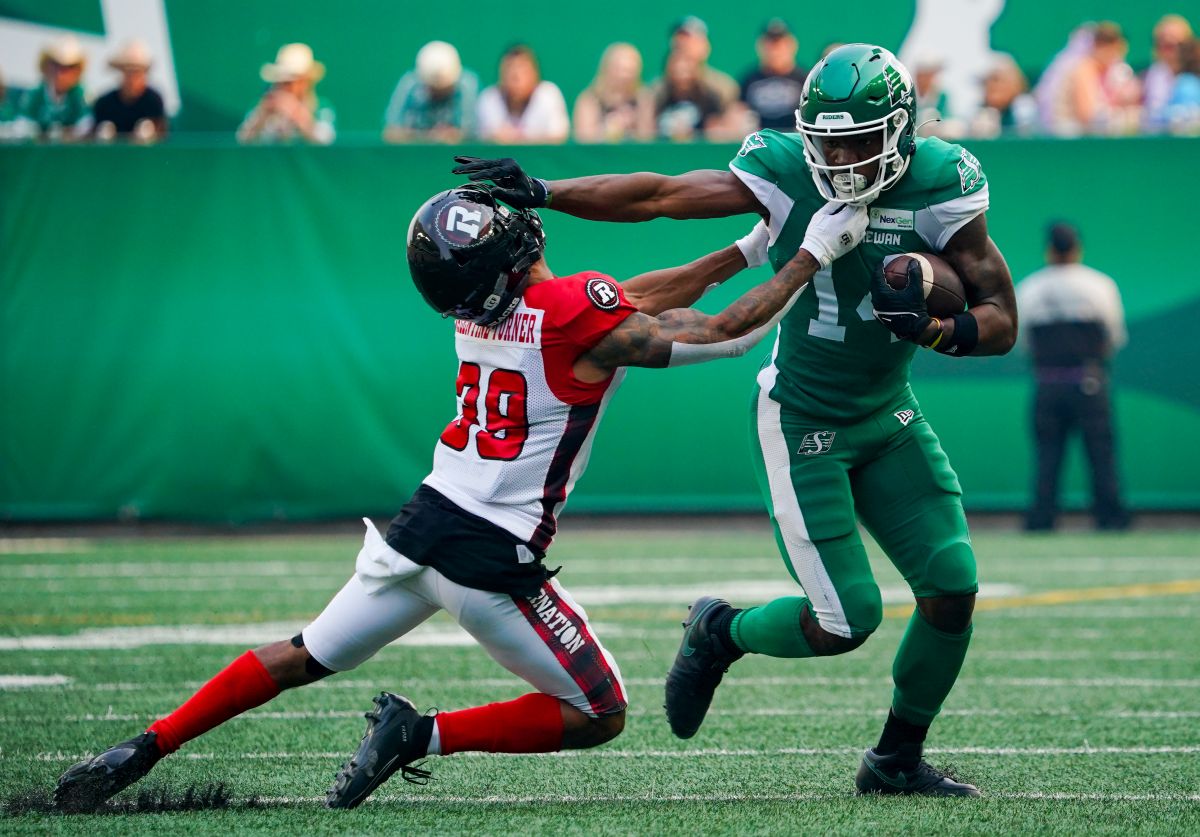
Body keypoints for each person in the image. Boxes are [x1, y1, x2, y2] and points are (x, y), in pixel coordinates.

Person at [52, 183, 869, 813]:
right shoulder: (567, 312)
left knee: (300, 654)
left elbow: (627, 301)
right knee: (600, 710)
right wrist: (809, 256)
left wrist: (745, 247)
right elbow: (726, 333)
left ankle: (143, 746)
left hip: (420, 527)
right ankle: (421, 733)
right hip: (490, 558)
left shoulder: (490, 313)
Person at [454, 42, 1019, 797]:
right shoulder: (785, 172)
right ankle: (720, 629)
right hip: (804, 420)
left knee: (952, 587)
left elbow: (1002, 317)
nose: (838, 161)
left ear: (899, 132)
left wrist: (940, 329)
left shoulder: (943, 180)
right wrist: (545, 190)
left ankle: (895, 760)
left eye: (855, 142)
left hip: (888, 412)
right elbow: (658, 194)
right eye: (825, 143)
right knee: (845, 621)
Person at [1016, 222, 1128, 532]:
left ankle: (1041, 521)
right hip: (1089, 381)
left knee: (1048, 456)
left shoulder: (1030, 288)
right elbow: (1115, 336)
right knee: (1101, 455)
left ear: (1049, 250)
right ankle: (1110, 519)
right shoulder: (1100, 285)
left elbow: (1021, 341)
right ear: (1078, 248)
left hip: (1047, 384)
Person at [237, 43, 335, 145]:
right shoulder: (262, 108)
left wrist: (297, 114)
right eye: (279, 80)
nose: (282, 86)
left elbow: (325, 142)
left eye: (289, 82)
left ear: (305, 82)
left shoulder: (321, 109)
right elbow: (242, 141)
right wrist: (261, 117)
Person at [383, 40, 478, 143]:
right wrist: (421, 136)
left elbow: (471, 131)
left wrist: (455, 135)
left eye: (445, 88)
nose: (439, 94)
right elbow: (391, 132)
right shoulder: (409, 85)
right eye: (434, 88)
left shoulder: (466, 86)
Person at [476, 44, 568, 144]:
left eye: (522, 69)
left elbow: (558, 137)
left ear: (535, 74)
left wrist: (522, 137)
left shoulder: (549, 95)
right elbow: (482, 138)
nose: (516, 76)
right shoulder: (488, 98)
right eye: (510, 69)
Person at [572, 42, 655, 143]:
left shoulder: (643, 98)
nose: (625, 76)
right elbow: (583, 140)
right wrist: (609, 129)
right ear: (607, 68)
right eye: (620, 69)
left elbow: (647, 138)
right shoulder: (589, 100)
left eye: (630, 70)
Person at [15, 35, 90, 141]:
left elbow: (86, 126)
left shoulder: (80, 95)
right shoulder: (35, 94)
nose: (61, 73)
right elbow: (21, 127)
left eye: (69, 67)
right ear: (46, 66)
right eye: (56, 65)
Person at [91, 39, 168, 142]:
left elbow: (162, 135)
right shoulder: (104, 104)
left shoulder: (153, 101)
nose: (132, 79)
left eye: (137, 73)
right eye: (128, 72)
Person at [738, 18, 807, 132]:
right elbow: (738, 111)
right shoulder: (749, 79)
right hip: (759, 138)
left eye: (780, 44)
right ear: (760, 46)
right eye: (770, 44)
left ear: (792, 45)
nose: (775, 50)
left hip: (794, 138)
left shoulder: (804, 79)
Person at [654, 52, 725, 141]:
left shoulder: (709, 99)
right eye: (677, 69)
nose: (682, 75)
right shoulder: (659, 97)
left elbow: (714, 131)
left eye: (686, 69)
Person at [1142, 14, 1194, 132]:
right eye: (1165, 45)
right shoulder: (1146, 79)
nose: (1172, 51)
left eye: (1178, 45)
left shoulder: (1193, 79)